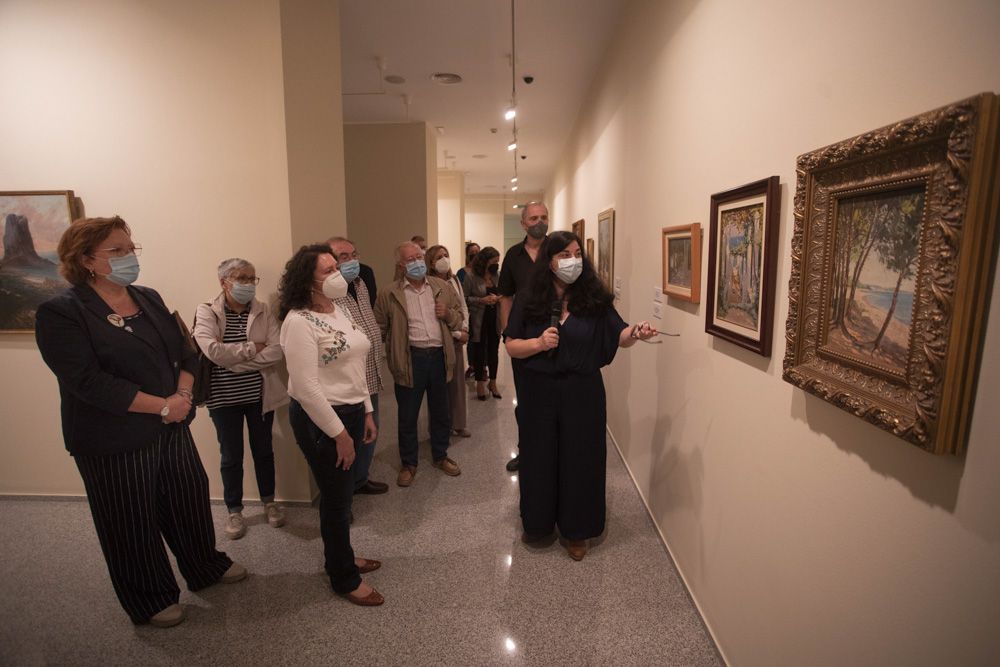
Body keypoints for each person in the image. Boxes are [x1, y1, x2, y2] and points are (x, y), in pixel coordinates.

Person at [35, 216, 244, 629]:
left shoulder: (147, 297)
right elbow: (89, 382)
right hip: (112, 437)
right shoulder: (62, 312)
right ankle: (150, 597)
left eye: (132, 248)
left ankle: (204, 566)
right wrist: (162, 407)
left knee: (188, 497)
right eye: (117, 250)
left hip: (171, 424)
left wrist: (181, 399)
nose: (130, 256)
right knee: (129, 517)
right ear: (86, 259)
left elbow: (186, 353)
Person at [504, 231, 657, 561]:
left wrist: (637, 333)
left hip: (582, 391)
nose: (572, 260)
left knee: (581, 458)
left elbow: (620, 334)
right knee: (539, 454)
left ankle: (578, 530)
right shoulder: (529, 300)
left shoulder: (594, 301)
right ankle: (539, 521)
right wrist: (538, 344)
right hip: (538, 391)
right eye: (564, 255)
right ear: (549, 260)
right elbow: (511, 345)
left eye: (577, 254)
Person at [278, 244, 383, 606]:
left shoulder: (339, 309)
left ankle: (341, 555)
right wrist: (339, 434)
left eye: (336, 266)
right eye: (327, 270)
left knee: (342, 494)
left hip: (353, 410)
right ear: (308, 281)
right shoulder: (298, 322)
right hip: (321, 419)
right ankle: (343, 577)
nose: (338, 274)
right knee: (337, 499)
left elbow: (356, 366)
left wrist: (367, 410)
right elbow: (306, 388)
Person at [194, 258, 288, 540]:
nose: (248, 283)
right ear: (224, 282)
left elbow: (277, 350)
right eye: (241, 278)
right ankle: (234, 510)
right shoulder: (207, 311)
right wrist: (252, 350)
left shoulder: (263, 310)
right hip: (223, 398)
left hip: (259, 395)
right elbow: (212, 352)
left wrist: (234, 360)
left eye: (252, 278)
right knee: (231, 456)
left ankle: (270, 502)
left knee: (264, 451)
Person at [373, 241, 464, 487]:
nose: (417, 261)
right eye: (411, 259)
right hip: (409, 359)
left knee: (441, 412)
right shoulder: (389, 293)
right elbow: (379, 329)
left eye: (419, 256)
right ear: (401, 265)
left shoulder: (442, 286)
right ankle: (409, 463)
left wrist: (448, 314)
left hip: (438, 357)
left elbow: (459, 319)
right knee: (407, 415)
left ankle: (440, 455)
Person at [326, 236, 388, 496]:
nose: (352, 261)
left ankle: (360, 479)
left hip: (370, 370)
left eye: (354, 255)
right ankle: (341, 494)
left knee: (370, 429)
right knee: (345, 437)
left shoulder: (361, 283)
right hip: (346, 378)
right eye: (343, 257)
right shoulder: (328, 293)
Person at [497, 201, 550, 472]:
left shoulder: (558, 250)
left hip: (555, 335)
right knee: (526, 399)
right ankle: (526, 450)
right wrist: (509, 333)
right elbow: (505, 295)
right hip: (523, 338)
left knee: (552, 398)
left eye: (543, 217)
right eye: (533, 218)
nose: (539, 222)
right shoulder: (513, 255)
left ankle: (552, 451)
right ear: (523, 223)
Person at [426, 244, 472, 438]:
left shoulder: (454, 280)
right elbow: (433, 316)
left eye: (446, 255)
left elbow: (462, 306)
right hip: (441, 340)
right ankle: (440, 427)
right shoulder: (429, 283)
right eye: (438, 257)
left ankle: (458, 423)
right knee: (439, 388)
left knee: (457, 386)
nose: (444, 259)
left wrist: (464, 329)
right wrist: (455, 333)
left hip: (458, 337)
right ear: (430, 262)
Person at [463, 246, 503, 401]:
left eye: (498, 261)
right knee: (479, 351)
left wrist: (498, 298)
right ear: (485, 261)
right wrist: (481, 300)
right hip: (479, 319)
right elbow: (464, 299)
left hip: (495, 318)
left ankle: (492, 383)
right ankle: (480, 383)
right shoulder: (471, 277)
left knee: (494, 351)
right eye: (494, 261)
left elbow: (503, 293)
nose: (496, 264)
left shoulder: (497, 275)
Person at [457, 241, 480, 381]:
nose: (475, 256)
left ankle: (482, 366)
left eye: (478, 253)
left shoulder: (484, 272)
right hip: (469, 311)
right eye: (472, 254)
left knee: (481, 341)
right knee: (472, 340)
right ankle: (472, 366)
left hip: (481, 312)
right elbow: (460, 295)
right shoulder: (462, 272)